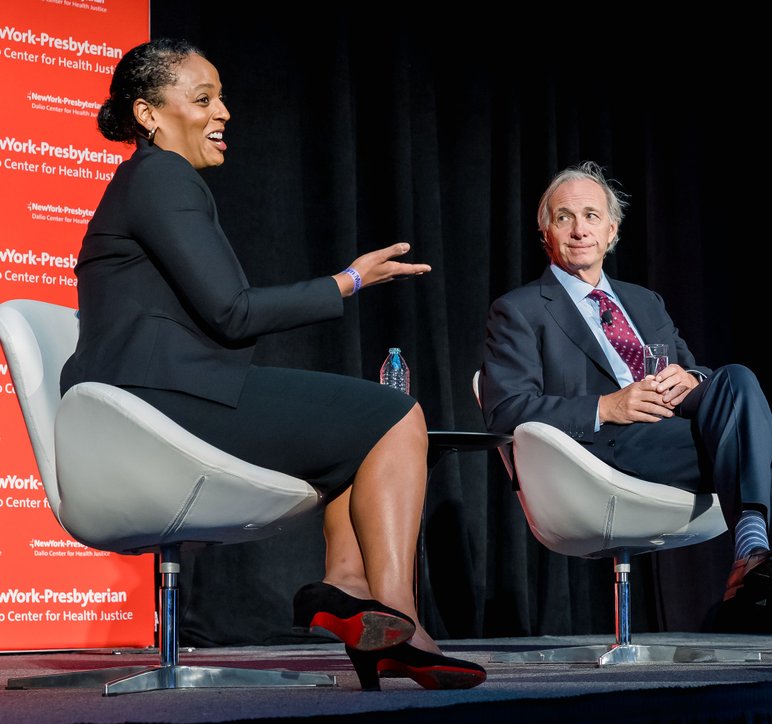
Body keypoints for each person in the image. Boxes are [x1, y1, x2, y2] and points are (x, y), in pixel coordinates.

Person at [63, 38, 485, 690]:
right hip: (160, 398)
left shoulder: (151, 182)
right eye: (204, 98)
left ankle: (345, 591)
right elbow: (231, 312)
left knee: (355, 434)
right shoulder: (160, 177)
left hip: (153, 396)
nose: (223, 111)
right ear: (148, 114)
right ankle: (400, 620)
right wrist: (346, 281)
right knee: (397, 415)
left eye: (222, 96)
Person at [478, 161, 772, 663]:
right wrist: (608, 406)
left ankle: (760, 554)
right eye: (564, 217)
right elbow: (506, 410)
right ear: (546, 233)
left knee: (733, 376)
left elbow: (695, 376)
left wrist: (695, 381)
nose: (579, 229)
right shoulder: (520, 310)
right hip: (601, 451)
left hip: (675, 431)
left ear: (612, 231)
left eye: (590, 215)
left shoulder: (644, 302)